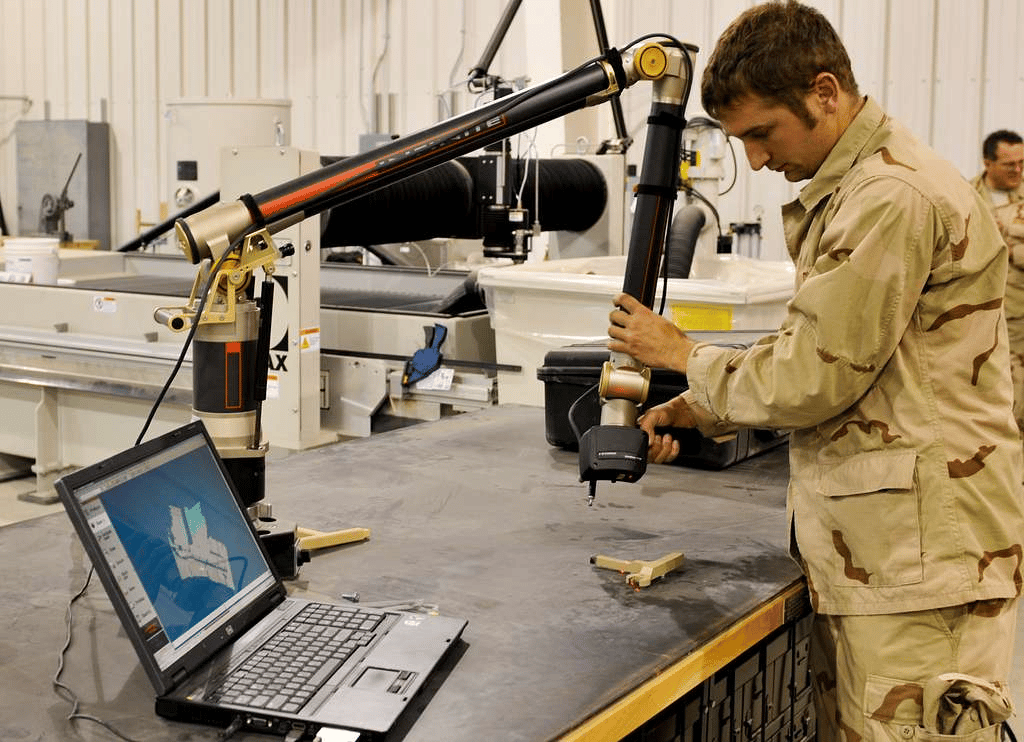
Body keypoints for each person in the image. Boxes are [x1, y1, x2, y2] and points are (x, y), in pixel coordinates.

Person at [606, 3, 1024, 742]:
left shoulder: (890, 197)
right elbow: (829, 342)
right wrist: (697, 407)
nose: (756, 161)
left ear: (824, 92)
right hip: (887, 555)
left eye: (762, 133)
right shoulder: (862, 187)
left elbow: (812, 376)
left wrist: (679, 353)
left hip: (921, 564)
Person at [972, 130, 1024, 436]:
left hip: (1019, 322)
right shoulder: (966, 197)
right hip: (979, 320)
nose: (1017, 170)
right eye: (1009, 165)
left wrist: (1009, 243)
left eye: (1022, 163)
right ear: (988, 163)